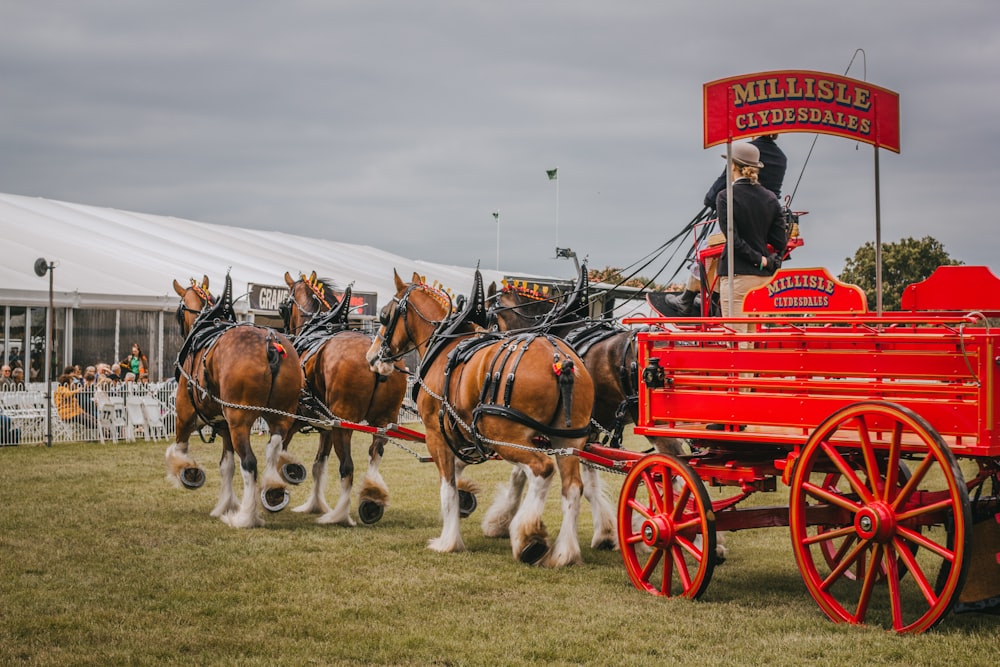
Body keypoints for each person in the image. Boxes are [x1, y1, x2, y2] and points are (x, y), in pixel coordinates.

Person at [665, 134, 788, 315]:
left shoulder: (729, 190)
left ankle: (688, 297)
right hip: (765, 220)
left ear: (733, 166)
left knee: (705, 250)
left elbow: (716, 194)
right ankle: (711, 297)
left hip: (739, 217)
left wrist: (710, 199)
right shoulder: (781, 159)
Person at [714, 141, 787, 324]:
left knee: (737, 339)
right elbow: (780, 242)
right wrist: (768, 261)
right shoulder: (770, 199)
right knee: (755, 337)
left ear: (733, 166)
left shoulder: (726, 197)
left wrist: (758, 260)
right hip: (762, 280)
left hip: (736, 275)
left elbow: (734, 240)